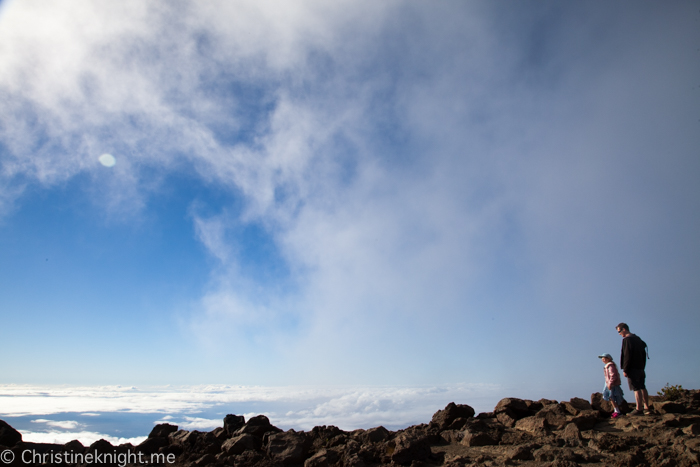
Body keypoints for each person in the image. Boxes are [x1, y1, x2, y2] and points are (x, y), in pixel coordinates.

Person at [616, 322, 650, 415]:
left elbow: (627, 355)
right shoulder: (638, 339)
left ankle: (639, 409)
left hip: (632, 368)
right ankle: (647, 407)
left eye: (619, 331)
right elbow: (644, 354)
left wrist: (625, 369)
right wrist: (643, 366)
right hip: (640, 367)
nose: (619, 334)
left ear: (624, 329)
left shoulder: (627, 340)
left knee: (636, 388)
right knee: (642, 386)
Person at [598, 353, 624, 418]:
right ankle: (616, 410)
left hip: (612, 384)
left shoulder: (610, 366)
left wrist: (610, 383)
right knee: (611, 397)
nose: (602, 359)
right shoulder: (608, 365)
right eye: (602, 358)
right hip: (609, 383)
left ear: (608, 359)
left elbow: (613, 375)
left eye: (604, 358)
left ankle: (617, 411)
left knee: (613, 397)